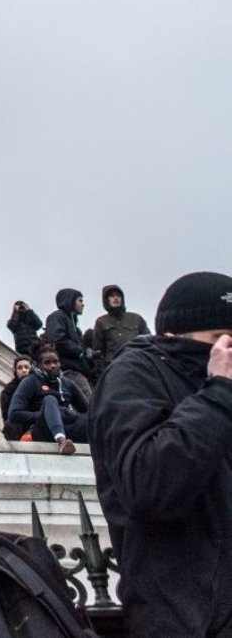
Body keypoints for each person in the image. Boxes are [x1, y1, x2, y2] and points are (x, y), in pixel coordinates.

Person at [88, 271, 232, 638]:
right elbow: (149, 485)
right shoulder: (133, 375)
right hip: (186, 617)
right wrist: (218, 395)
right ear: (173, 335)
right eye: (221, 340)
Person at [7, 346, 87, 452]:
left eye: (56, 362)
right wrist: (45, 414)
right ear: (38, 366)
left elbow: (88, 409)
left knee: (92, 418)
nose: (53, 365)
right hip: (42, 429)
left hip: (68, 425)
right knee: (50, 399)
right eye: (47, 363)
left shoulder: (68, 383)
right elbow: (14, 414)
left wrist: (71, 414)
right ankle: (61, 442)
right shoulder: (30, 381)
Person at [42, 289, 94, 405]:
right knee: (90, 406)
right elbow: (57, 340)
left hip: (79, 372)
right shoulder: (57, 316)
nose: (83, 304)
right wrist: (79, 352)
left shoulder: (74, 325)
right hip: (69, 371)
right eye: (80, 300)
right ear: (70, 301)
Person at [91, 285, 149, 370]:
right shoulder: (101, 322)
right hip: (114, 368)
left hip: (138, 365)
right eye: (112, 296)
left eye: (118, 295)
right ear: (106, 300)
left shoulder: (136, 318)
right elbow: (98, 350)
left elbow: (149, 342)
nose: (116, 298)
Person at [0, 356, 33, 439]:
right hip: (19, 426)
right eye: (20, 368)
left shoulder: (39, 385)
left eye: (26, 367)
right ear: (15, 371)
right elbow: (7, 415)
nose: (24, 370)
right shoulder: (8, 391)